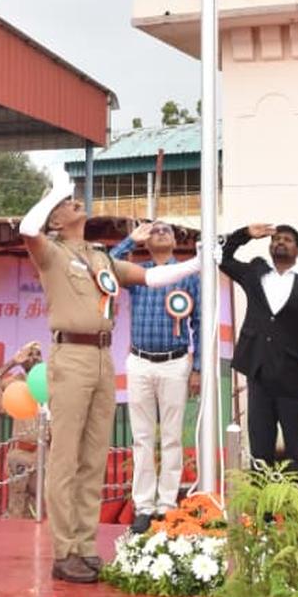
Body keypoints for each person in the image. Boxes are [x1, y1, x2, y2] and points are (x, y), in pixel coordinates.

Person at [20, 169, 198, 584]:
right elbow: (28, 227)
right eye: (67, 204)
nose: (74, 203)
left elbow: (152, 277)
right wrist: (56, 194)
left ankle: (84, 546)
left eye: (72, 199)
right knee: (66, 456)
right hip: (70, 355)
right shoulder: (51, 251)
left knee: (93, 456)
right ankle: (64, 551)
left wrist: (197, 262)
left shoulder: (99, 257)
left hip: (102, 358)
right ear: (56, 220)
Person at [220, 223, 298, 483]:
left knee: (297, 450)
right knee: (260, 450)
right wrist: (245, 234)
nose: (281, 242)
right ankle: (263, 517)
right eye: (277, 238)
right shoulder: (254, 272)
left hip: (293, 376)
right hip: (258, 372)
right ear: (270, 246)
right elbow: (220, 256)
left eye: (288, 239)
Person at [109, 219, 201, 533]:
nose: (161, 232)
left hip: (176, 362)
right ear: (147, 242)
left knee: (173, 437)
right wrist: (131, 240)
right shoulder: (138, 273)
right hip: (140, 361)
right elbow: (107, 268)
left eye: (167, 230)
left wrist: (198, 367)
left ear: (176, 241)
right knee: (142, 438)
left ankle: (167, 506)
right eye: (155, 230)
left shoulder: (189, 274)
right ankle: (144, 506)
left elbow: (199, 322)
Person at [0, 340, 44, 519]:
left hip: (44, 454)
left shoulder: (49, 382)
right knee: (16, 504)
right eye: (30, 354)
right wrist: (13, 361)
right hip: (20, 454)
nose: (35, 358)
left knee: (37, 506)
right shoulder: (15, 382)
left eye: (38, 354)